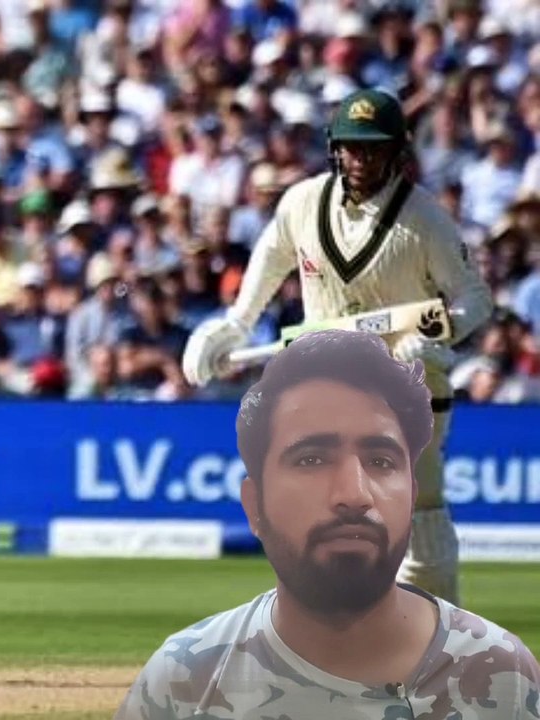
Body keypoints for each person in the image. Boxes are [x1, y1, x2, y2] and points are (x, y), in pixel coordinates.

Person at [117, 330, 540, 718]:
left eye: (380, 460)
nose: (354, 494)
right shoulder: (181, 678)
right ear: (254, 504)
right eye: (312, 459)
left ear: (414, 493)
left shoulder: (506, 676)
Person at [182, 88, 493, 606]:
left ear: (396, 151)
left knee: (418, 520)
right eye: (352, 146)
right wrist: (237, 324)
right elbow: (271, 261)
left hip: (407, 385)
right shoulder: (303, 203)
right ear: (335, 148)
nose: (361, 158)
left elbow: (475, 300)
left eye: (373, 148)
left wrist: (431, 337)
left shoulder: (425, 219)